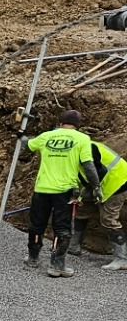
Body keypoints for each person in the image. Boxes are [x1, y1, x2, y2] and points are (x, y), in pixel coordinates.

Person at [25, 110, 100, 278]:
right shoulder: (82, 139)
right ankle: (56, 265)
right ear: (78, 125)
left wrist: (21, 133)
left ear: (60, 122)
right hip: (64, 191)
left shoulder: (47, 136)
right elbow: (88, 165)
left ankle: (33, 258)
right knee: (62, 228)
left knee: (37, 224)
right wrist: (96, 186)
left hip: (42, 188)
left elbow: (27, 145)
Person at [71, 131, 127, 271]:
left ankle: (122, 259)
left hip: (117, 182)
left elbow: (98, 171)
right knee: (82, 209)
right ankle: (73, 246)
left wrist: (92, 190)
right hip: (101, 184)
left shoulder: (86, 148)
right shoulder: (73, 151)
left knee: (108, 219)